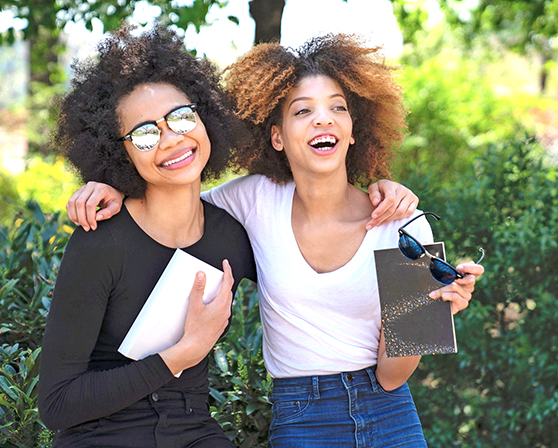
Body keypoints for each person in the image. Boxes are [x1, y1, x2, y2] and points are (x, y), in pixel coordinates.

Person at [65, 34, 484, 447]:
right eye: (303, 111)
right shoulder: (253, 200)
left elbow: (393, 375)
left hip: (391, 414)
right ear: (277, 137)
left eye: (338, 108)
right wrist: (115, 186)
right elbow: (173, 197)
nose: (324, 119)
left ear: (353, 130)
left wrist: (432, 309)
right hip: (302, 418)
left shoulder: (405, 224)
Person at [38, 24, 258, 448]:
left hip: (195, 433)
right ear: (118, 152)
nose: (172, 139)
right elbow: (56, 405)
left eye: (180, 117)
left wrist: (381, 195)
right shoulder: (100, 241)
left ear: (205, 116)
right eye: (145, 133)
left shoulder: (232, 236)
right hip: (104, 437)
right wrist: (180, 355)